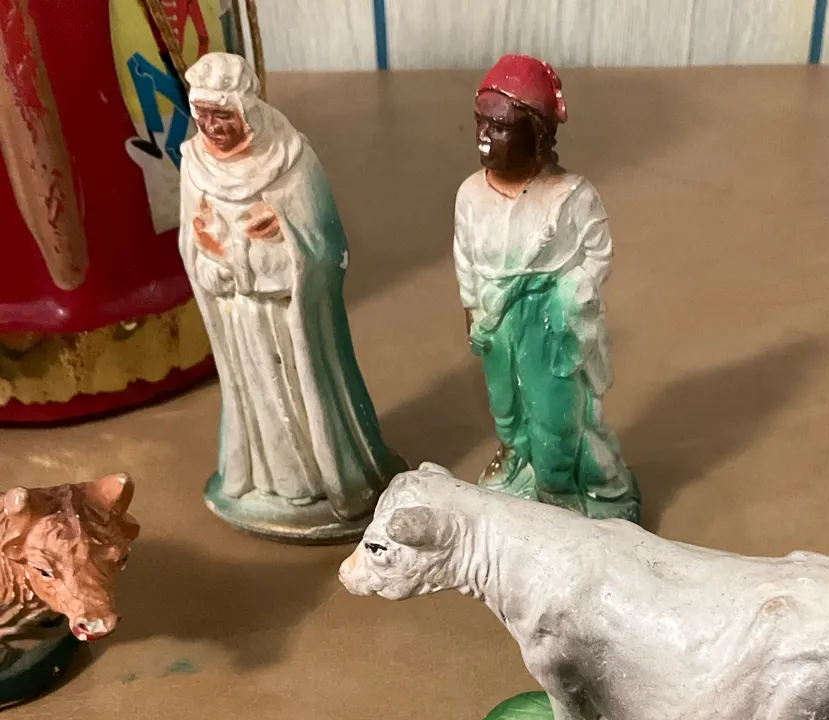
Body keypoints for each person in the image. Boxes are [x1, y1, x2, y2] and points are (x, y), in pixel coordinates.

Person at [179, 52, 405, 542]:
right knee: (258, 394)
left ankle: (321, 480)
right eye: (203, 115)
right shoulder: (194, 162)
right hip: (238, 313)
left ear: (246, 110)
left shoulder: (290, 157)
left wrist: (283, 227)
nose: (213, 127)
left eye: (223, 115)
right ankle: (270, 481)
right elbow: (190, 240)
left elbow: (326, 241)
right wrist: (211, 252)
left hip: (289, 313)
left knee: (302, 391)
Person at [453, 54, 640, 523]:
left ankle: (562, 484)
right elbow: (465, 256)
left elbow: (597, 251)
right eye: (480, 123)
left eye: (500, 127)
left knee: (555, 409)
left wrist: (571, 296)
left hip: (548, 320)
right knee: (505, 400)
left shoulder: (571, 196)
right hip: (496, 319)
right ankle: (518, 456)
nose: (484, 136)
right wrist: (472, 305)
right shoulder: (470, 195)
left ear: (537, 134)